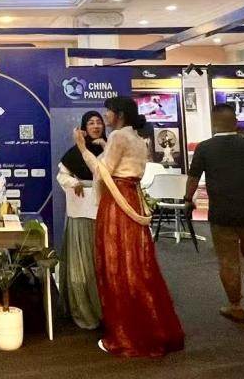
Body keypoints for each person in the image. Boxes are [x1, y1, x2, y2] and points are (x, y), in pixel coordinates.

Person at [74, 96, 184, 357]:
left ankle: (127, 333)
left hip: (117, 204)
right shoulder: (136, 138)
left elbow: (103, 171)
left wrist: (82, 148)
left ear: (119, 114)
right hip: (132, 198)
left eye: (108, 112)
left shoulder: (118, 136)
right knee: (138, 264)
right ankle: (151, 326)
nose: (105, 117)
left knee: (117, 265)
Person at [185, 104, 244, 329]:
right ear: (235, 122)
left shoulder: (205, 148)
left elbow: (193, 178)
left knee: (228, 261)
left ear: (213, 122)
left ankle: (236, 307)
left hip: (222, 214)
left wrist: (188, 199)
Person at [56, 110, 106, 330]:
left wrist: (106, 147)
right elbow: (62, 175)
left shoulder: (110, 149)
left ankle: (106, 310)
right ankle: (83, 308)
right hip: (80, 213)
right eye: (91, 123)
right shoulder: (75, 152)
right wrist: (73, 183)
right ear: (84, 128)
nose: (95, 126)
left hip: (104, 212)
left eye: (99, 122)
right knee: (81, 263)